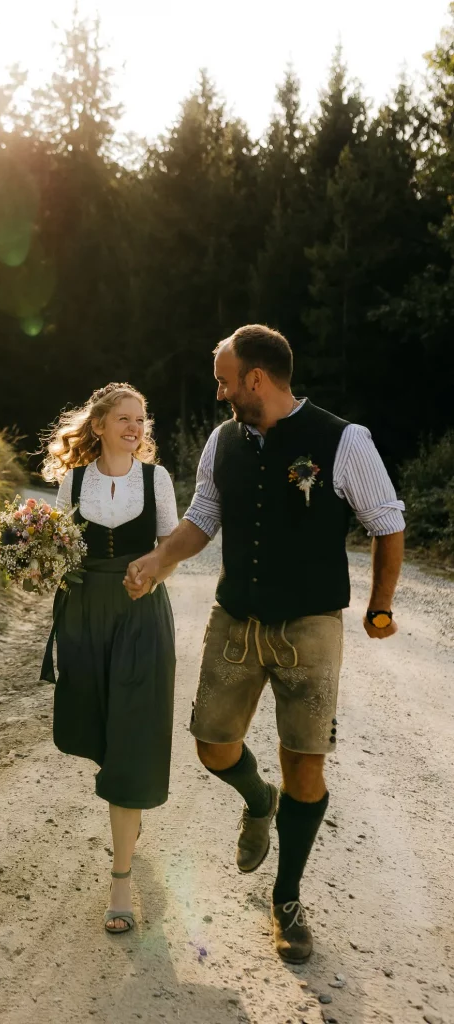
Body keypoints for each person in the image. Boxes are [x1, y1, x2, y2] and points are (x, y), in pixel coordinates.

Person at [124, 325, 405, 963]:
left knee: (306, 763)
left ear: (255, 378)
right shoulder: (222, 442)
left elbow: (388, 524)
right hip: (237, 622)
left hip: (311, 629)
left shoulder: (344, 440)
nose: (219, 391)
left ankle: (288, 899)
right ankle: (258, 799)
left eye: (225, 379)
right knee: (213, 747)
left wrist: (380, 605)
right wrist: (157, 560)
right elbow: (201, 519)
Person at [40, 382, 178, 934]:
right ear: (99, 425)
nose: (134, 427)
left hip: (142, 617)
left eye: (141, 419)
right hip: (85, 620)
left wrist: (152, 573)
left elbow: (172, 549)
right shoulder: (72, 481)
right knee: (102, 733)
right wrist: (32, 563)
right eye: (124, 418)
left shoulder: (158, 478)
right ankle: (129, 820)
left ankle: (121, 879)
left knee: (133, 737)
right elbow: (59, 554)